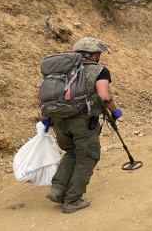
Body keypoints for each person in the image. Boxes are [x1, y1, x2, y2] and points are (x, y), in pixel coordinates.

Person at [41, 37, 122, 213]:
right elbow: (104, 96)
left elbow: (46, 96)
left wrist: (46, 118)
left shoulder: (60, 70)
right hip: (83, 121)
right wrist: (115, 111)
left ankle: (58, 188)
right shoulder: (100, 71)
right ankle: (72, 200)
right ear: (94, 54)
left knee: (71, 152)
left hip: (58, 120)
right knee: (88, 157)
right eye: (98, 53)